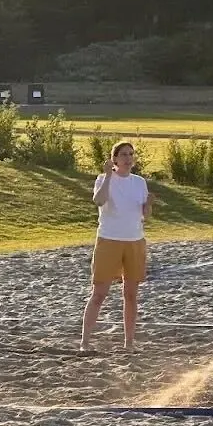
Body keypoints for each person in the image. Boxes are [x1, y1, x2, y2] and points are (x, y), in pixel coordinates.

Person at [81, 140, 151, 353]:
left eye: (131, 154)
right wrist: (108, 176)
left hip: (135, 241)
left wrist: (149, 206)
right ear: (115, 159)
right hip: (109, 239)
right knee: (99, 293)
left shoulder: (139, 182)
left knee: (131, 294)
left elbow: (144, 215)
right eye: (123, 154)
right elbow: (99, 201)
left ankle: (129, 342)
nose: (128, 158)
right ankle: (85, 342)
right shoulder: (104, 179)